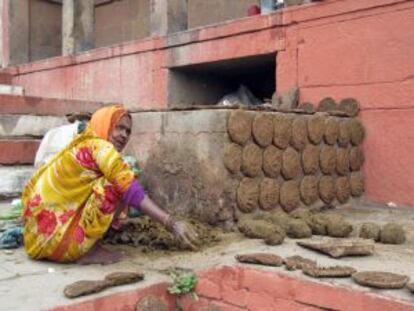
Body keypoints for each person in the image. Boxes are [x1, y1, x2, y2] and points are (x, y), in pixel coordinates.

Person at [22, 105, 198, 265]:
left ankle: (84, 242)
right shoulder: (100, 148)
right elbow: (130, 189)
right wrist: (171, 224)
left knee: (119, 178)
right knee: (118, 184)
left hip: (37, 242)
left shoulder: (83, 144)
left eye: (128, 131)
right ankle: (88, 250)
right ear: (104, 124)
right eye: (119, 127)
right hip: (59, 246)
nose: (124, 135)